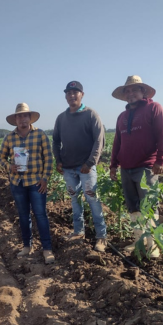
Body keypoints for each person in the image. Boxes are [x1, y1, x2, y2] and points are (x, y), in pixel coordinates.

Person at [110, 75, 163, 257]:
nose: (131, 94)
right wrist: (113, 165)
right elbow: (117, 143)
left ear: (143, 91)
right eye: (127, 91)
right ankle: (139, 241)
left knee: (149, 206)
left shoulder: (154, 108)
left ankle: (152, 245)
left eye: (135, 89)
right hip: (126, 168)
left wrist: (161, 160)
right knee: (133, 207)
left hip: (147, 167)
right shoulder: (122, 116)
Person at [52, 81, 108, 252]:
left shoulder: (91, 115)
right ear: (66, 96)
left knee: (92, 199)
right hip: (68, 168)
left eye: (75, 92)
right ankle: (78, 231)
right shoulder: (61, 118)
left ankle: (101, 237)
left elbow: (99, 141)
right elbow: (55, 141)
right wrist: (58, 160)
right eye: (68, 93)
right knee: (74, 200)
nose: (72, 95)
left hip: (86, 168)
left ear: (82, 94)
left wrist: (90, 163)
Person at [0, 103, 54, 264]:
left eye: (25, 116)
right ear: (15, 119)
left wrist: (45, 179)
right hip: (17, 183)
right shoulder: (9, 137)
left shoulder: (40, 135)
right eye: (19, 116)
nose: (22, 119)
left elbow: (48, 158)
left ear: (30, 118)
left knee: (41, 215)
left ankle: (47, 249)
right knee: (23, 216)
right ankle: (27, 246)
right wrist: (10, 167)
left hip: (37, 182)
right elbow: (0, 158)